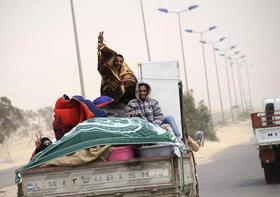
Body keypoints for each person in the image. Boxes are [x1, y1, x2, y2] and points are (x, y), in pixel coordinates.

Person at [97, 31, 137, 104]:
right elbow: (105, 58)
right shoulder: (108, 69)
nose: (118, 63)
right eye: (117, 61)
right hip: (109, 97)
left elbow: (130, 78)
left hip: (123, 99)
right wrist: (101, 44)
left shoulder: (125, 69)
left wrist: (127, 82)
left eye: (120, 62)